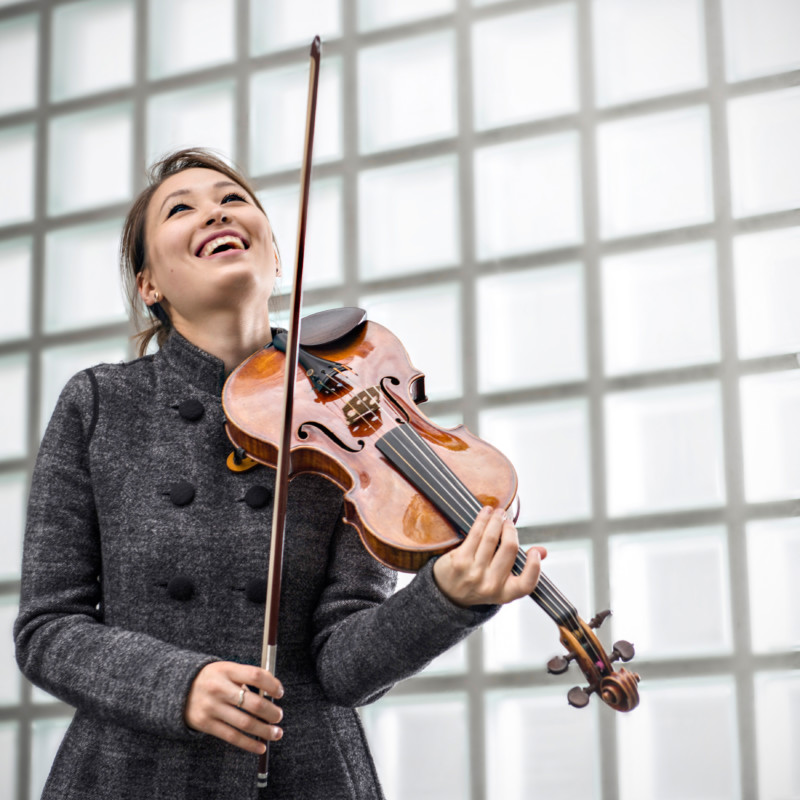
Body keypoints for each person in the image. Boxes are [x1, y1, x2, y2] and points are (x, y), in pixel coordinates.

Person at [14, 148, 545, 800]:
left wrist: (445, 600)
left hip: (303, 774)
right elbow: (48, 630)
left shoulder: (351, 413)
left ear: (273, 257)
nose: (214, 210)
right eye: (181, 208)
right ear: (150, 284)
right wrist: (178, 684)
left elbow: (344, 667)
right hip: (132, 775)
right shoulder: (99, 404)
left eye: (233, 199)